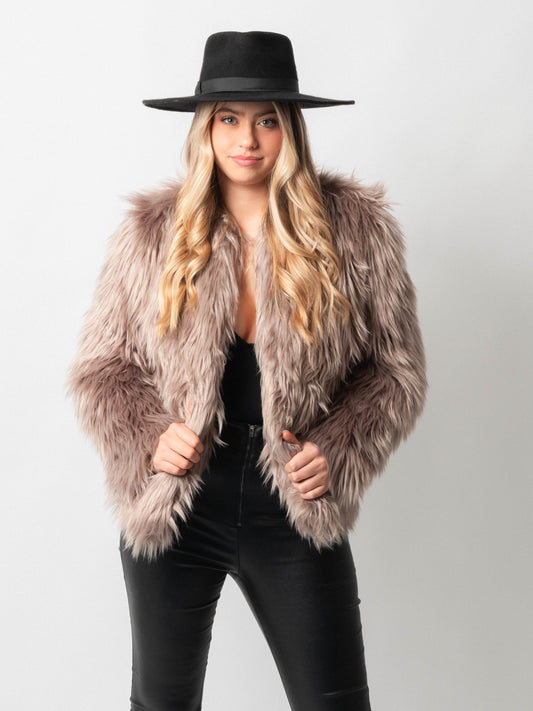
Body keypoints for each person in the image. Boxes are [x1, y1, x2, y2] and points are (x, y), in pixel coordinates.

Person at [66, 30, 427, 711]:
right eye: (229, 118)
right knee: (160, 702)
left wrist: (336, 447)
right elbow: (101, 367)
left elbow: (395, 370)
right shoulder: (151, 233)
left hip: (292, 505)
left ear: (290, 128)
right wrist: (151, 435)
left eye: (267, 120)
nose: (248, 140)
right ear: (205, 128)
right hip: (179, 504)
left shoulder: (355, 230)